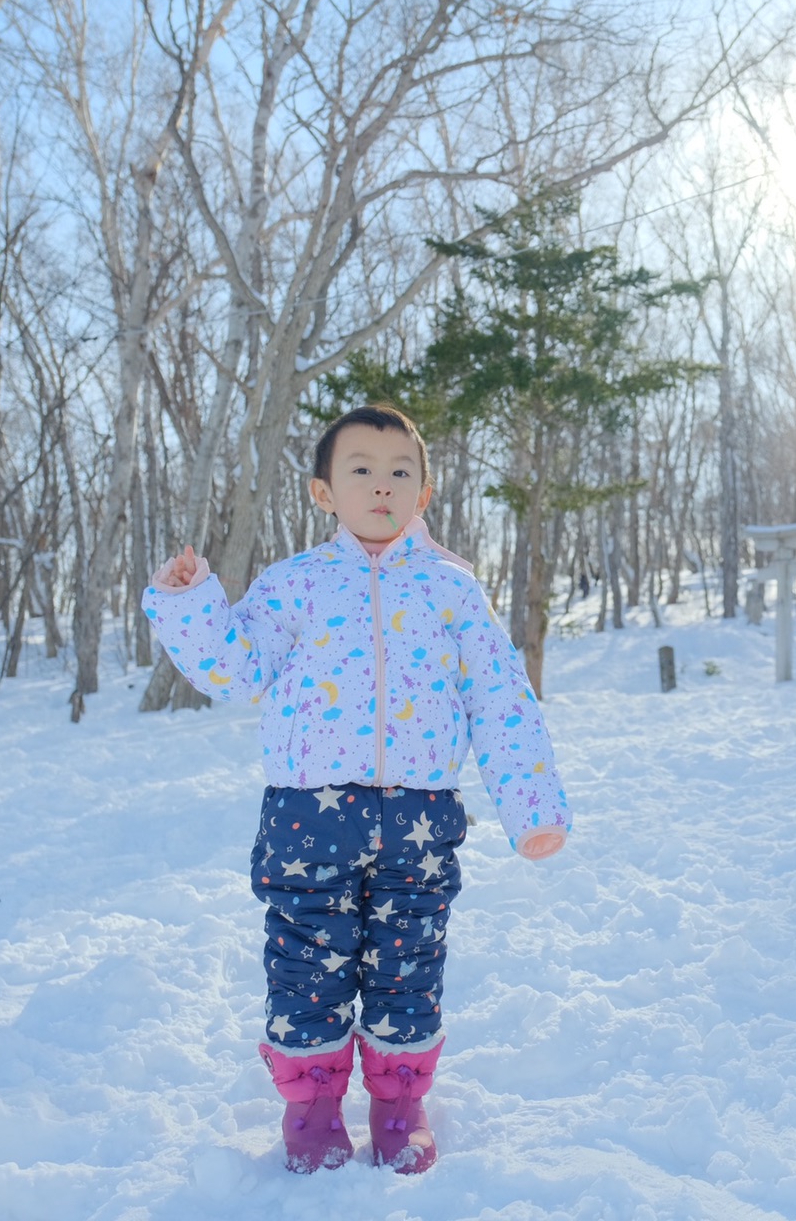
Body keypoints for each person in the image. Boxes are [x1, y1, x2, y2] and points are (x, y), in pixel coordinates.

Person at [144, 404, 569, 1175]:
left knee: (411, 962)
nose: (382, 486)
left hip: (420, 816)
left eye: (400, 472)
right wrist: (190, 603)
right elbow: (235, 669)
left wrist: (531, 806)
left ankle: (400, 1107)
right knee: (307, 965)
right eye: (361, 471)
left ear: (426, 493)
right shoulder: (295, 585)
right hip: (309, 818)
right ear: (323, 493)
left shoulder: (452, 592)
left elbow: (501, 699)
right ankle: (310, 1110)